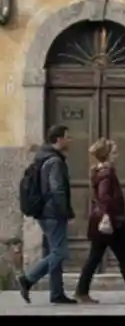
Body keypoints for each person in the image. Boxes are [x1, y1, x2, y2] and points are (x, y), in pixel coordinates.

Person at [74, 139, 125, 304]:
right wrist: (107, 214)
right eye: (114, 152)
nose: (117, 155)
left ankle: (83, 291)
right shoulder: (107, 173)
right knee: (113, 257)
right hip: (109, 221)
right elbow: (104, 196)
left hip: (106, 220)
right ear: (107, 154)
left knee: (102, 256)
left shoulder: (99, 171)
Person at [16, 125, 74, 305]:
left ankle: (57, 293)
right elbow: (56, 189)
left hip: (45, 212)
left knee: (54, 250)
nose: (69, 140)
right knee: (60, 252)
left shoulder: (43, 157)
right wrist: (64, 211)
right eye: (67, 137)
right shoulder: (55, 161)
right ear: (58, 139)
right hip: (53, 213)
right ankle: (28, 279)